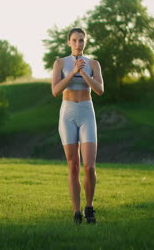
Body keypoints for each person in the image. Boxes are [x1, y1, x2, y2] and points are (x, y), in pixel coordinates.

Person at [51, 28, 104, 224]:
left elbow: (99, 90)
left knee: (89, 166)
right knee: (73, 166)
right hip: (67, 113)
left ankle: (89, 207)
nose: (78, 44)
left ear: (85, 42)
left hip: (86, 112)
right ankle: (76, 212)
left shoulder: (93, 64)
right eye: (74, 40)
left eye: (81, 40)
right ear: (69, 42)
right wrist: (73, 71)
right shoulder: (60, 63)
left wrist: (83, 72)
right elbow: (55, 91)